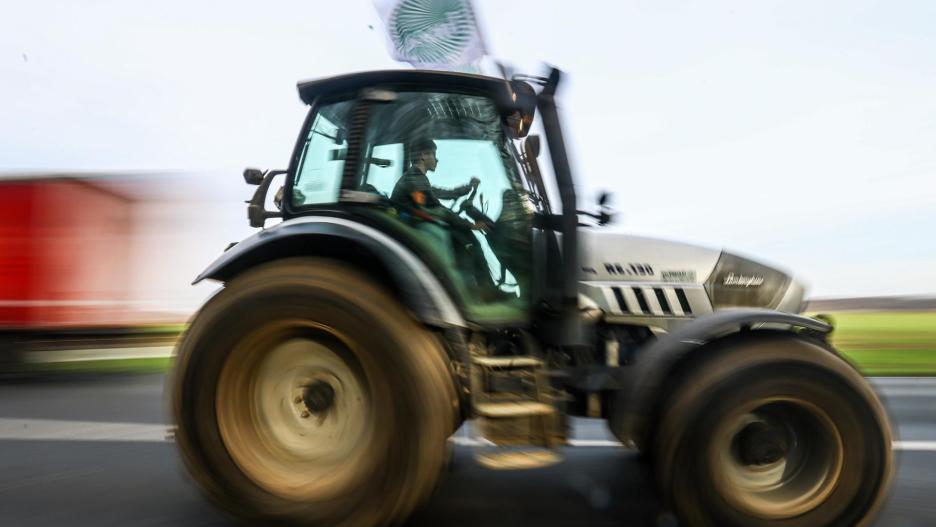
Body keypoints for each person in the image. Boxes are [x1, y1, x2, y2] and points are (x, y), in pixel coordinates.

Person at [390, 138, 479, 209]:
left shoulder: (417, 179)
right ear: (424, 155)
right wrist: (468, 225)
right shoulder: (415, 180)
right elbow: (436, 208)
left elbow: (445, 193)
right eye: (434, 154)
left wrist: (469, 186)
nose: (437, 160)